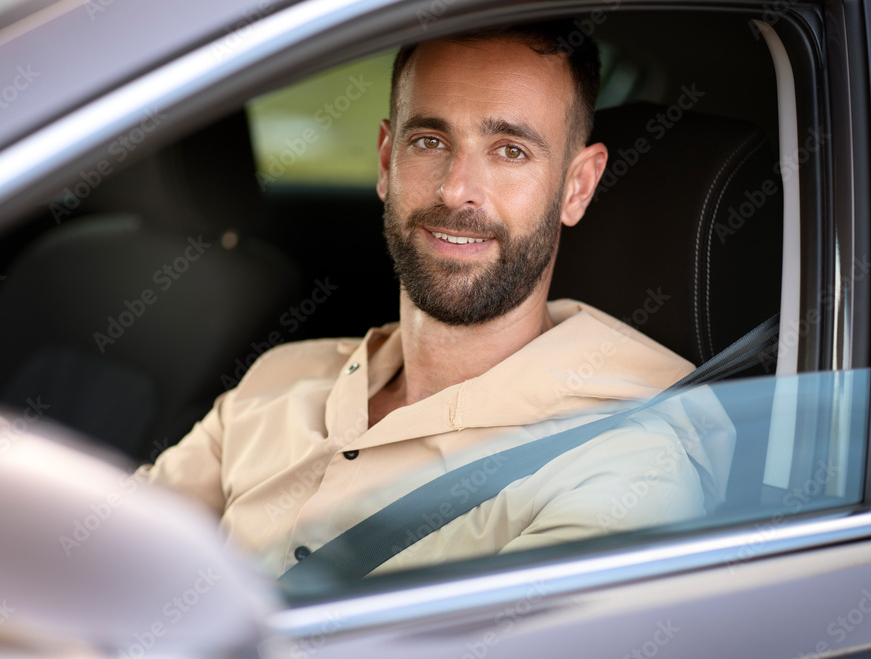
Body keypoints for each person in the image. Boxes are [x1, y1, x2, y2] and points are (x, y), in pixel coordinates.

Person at [142, 22, 734, 577]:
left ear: (576, 187)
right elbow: (107, 548)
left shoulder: (619, 466)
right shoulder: (279, 378)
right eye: (430, 140)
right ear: (385, 160)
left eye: (510, 151)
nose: (456, 189)